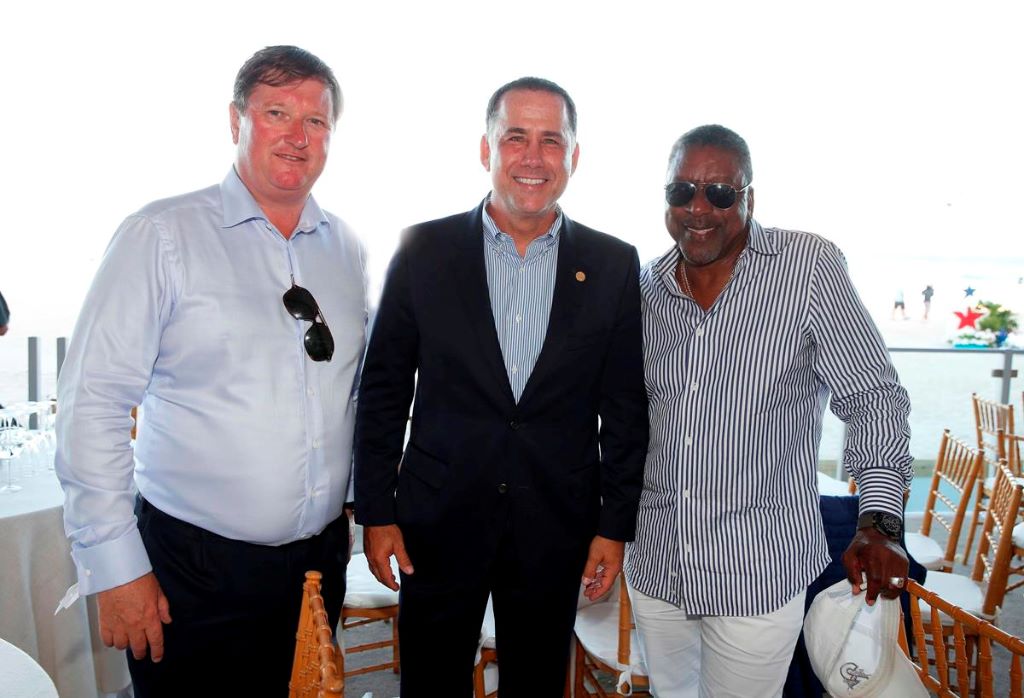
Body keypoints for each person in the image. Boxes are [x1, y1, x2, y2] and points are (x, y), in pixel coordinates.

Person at [55, 46, 366, 697]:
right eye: (277, 112)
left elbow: (353, 392)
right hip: (193, 569)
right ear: (236, 121)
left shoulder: (346, 248)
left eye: (316, 121)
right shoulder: (161, 236)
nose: (297, 135)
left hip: (317, 564)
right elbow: (92, 405)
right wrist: (115, 568)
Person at [354, 77, 648, 696]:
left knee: (538, 684)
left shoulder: (615, 264)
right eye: (516, 137)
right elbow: (383, 392)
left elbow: (625, 410)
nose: (533, 157)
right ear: (486, 150)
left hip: (556, 523)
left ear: (574, 156)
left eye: (551, 140)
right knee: (431, 682)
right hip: (436, 521)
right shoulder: (422, 250)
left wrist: (613, 525)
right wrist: (377, 512)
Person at [626, 124, 913, 697]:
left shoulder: (808, 267)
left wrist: (879, 521)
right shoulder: (646, 287)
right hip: (656, 564)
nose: (698, 208)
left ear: (750, 197)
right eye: (681, 192)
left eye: (720, 193)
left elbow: (872, 396)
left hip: (754, 572)